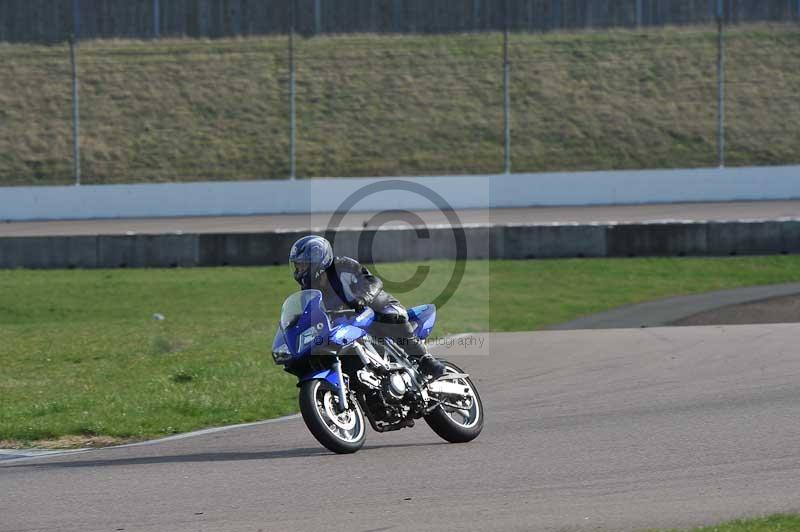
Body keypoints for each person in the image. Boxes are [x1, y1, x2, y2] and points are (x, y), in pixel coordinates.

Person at [288, 234, 446, 379]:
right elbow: (313, 313)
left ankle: (426, 359)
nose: (299, 270)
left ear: (318, 260)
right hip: (347, 324)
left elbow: (373, 281)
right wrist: (298, 321)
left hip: (375, 308)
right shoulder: (309, 290)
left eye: (303, 265)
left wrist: (362, 298)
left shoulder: (343, 266)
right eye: (297, 266)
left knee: (392, 318)